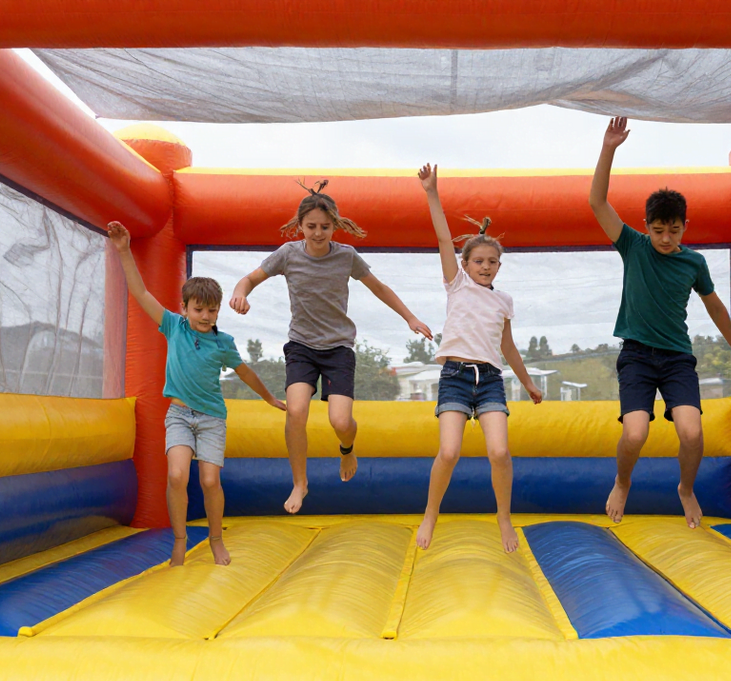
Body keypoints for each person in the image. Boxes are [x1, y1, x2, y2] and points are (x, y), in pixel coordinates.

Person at [588, 117, 731, 528]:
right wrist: (609, 148)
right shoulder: (633, 245)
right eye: (658, 230)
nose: (666, 238)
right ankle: (623, 481)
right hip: (636, 357)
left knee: (692, 433)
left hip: (677, 358)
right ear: (646, 227)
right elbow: (597, 202)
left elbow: (716, 307)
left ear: (685, 227)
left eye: (674, 230)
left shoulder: (693, 262)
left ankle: (685, 488)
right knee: (634, 433)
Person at [229, 181, 432, 514]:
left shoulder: (346, 257)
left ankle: (348, 448)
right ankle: (299, 482)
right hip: (301, 345)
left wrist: (409, 317)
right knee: (296, 411)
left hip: (338, 347)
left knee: (340, 421)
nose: (318, 233)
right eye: (311, 226)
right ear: (300, 226)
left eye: (325, 226)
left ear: (335, 226)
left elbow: (379, 288)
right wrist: (241, 293)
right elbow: (249, 278)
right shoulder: (288, 254)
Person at [107, 221, 286, 567]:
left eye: (211, 310)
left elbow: (244, 371)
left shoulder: (223, 343)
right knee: (176, 475)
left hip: (211, 419)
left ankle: (216, 539)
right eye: (198, 309)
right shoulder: (173, 326)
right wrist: (124, 250)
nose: (205, 316)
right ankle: (179, 540)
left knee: (208, 479)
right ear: (185, 308)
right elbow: (141, 293)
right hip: (178, 415)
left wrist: (268, 398)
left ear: (218, 310)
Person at [415, 164, 543, 553]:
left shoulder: (503, 301)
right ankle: (431, 513)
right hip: (455, 375)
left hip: (489, 379)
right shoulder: (457, 285)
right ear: (466, 264)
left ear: (499, 266)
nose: (485, 267)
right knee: (450, 451)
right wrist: (431, 193)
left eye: (492, 262)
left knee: (499, 451)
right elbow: (442, 237)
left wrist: (528, 383)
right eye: (478, 261)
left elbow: (508, 347)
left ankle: (503, 516)